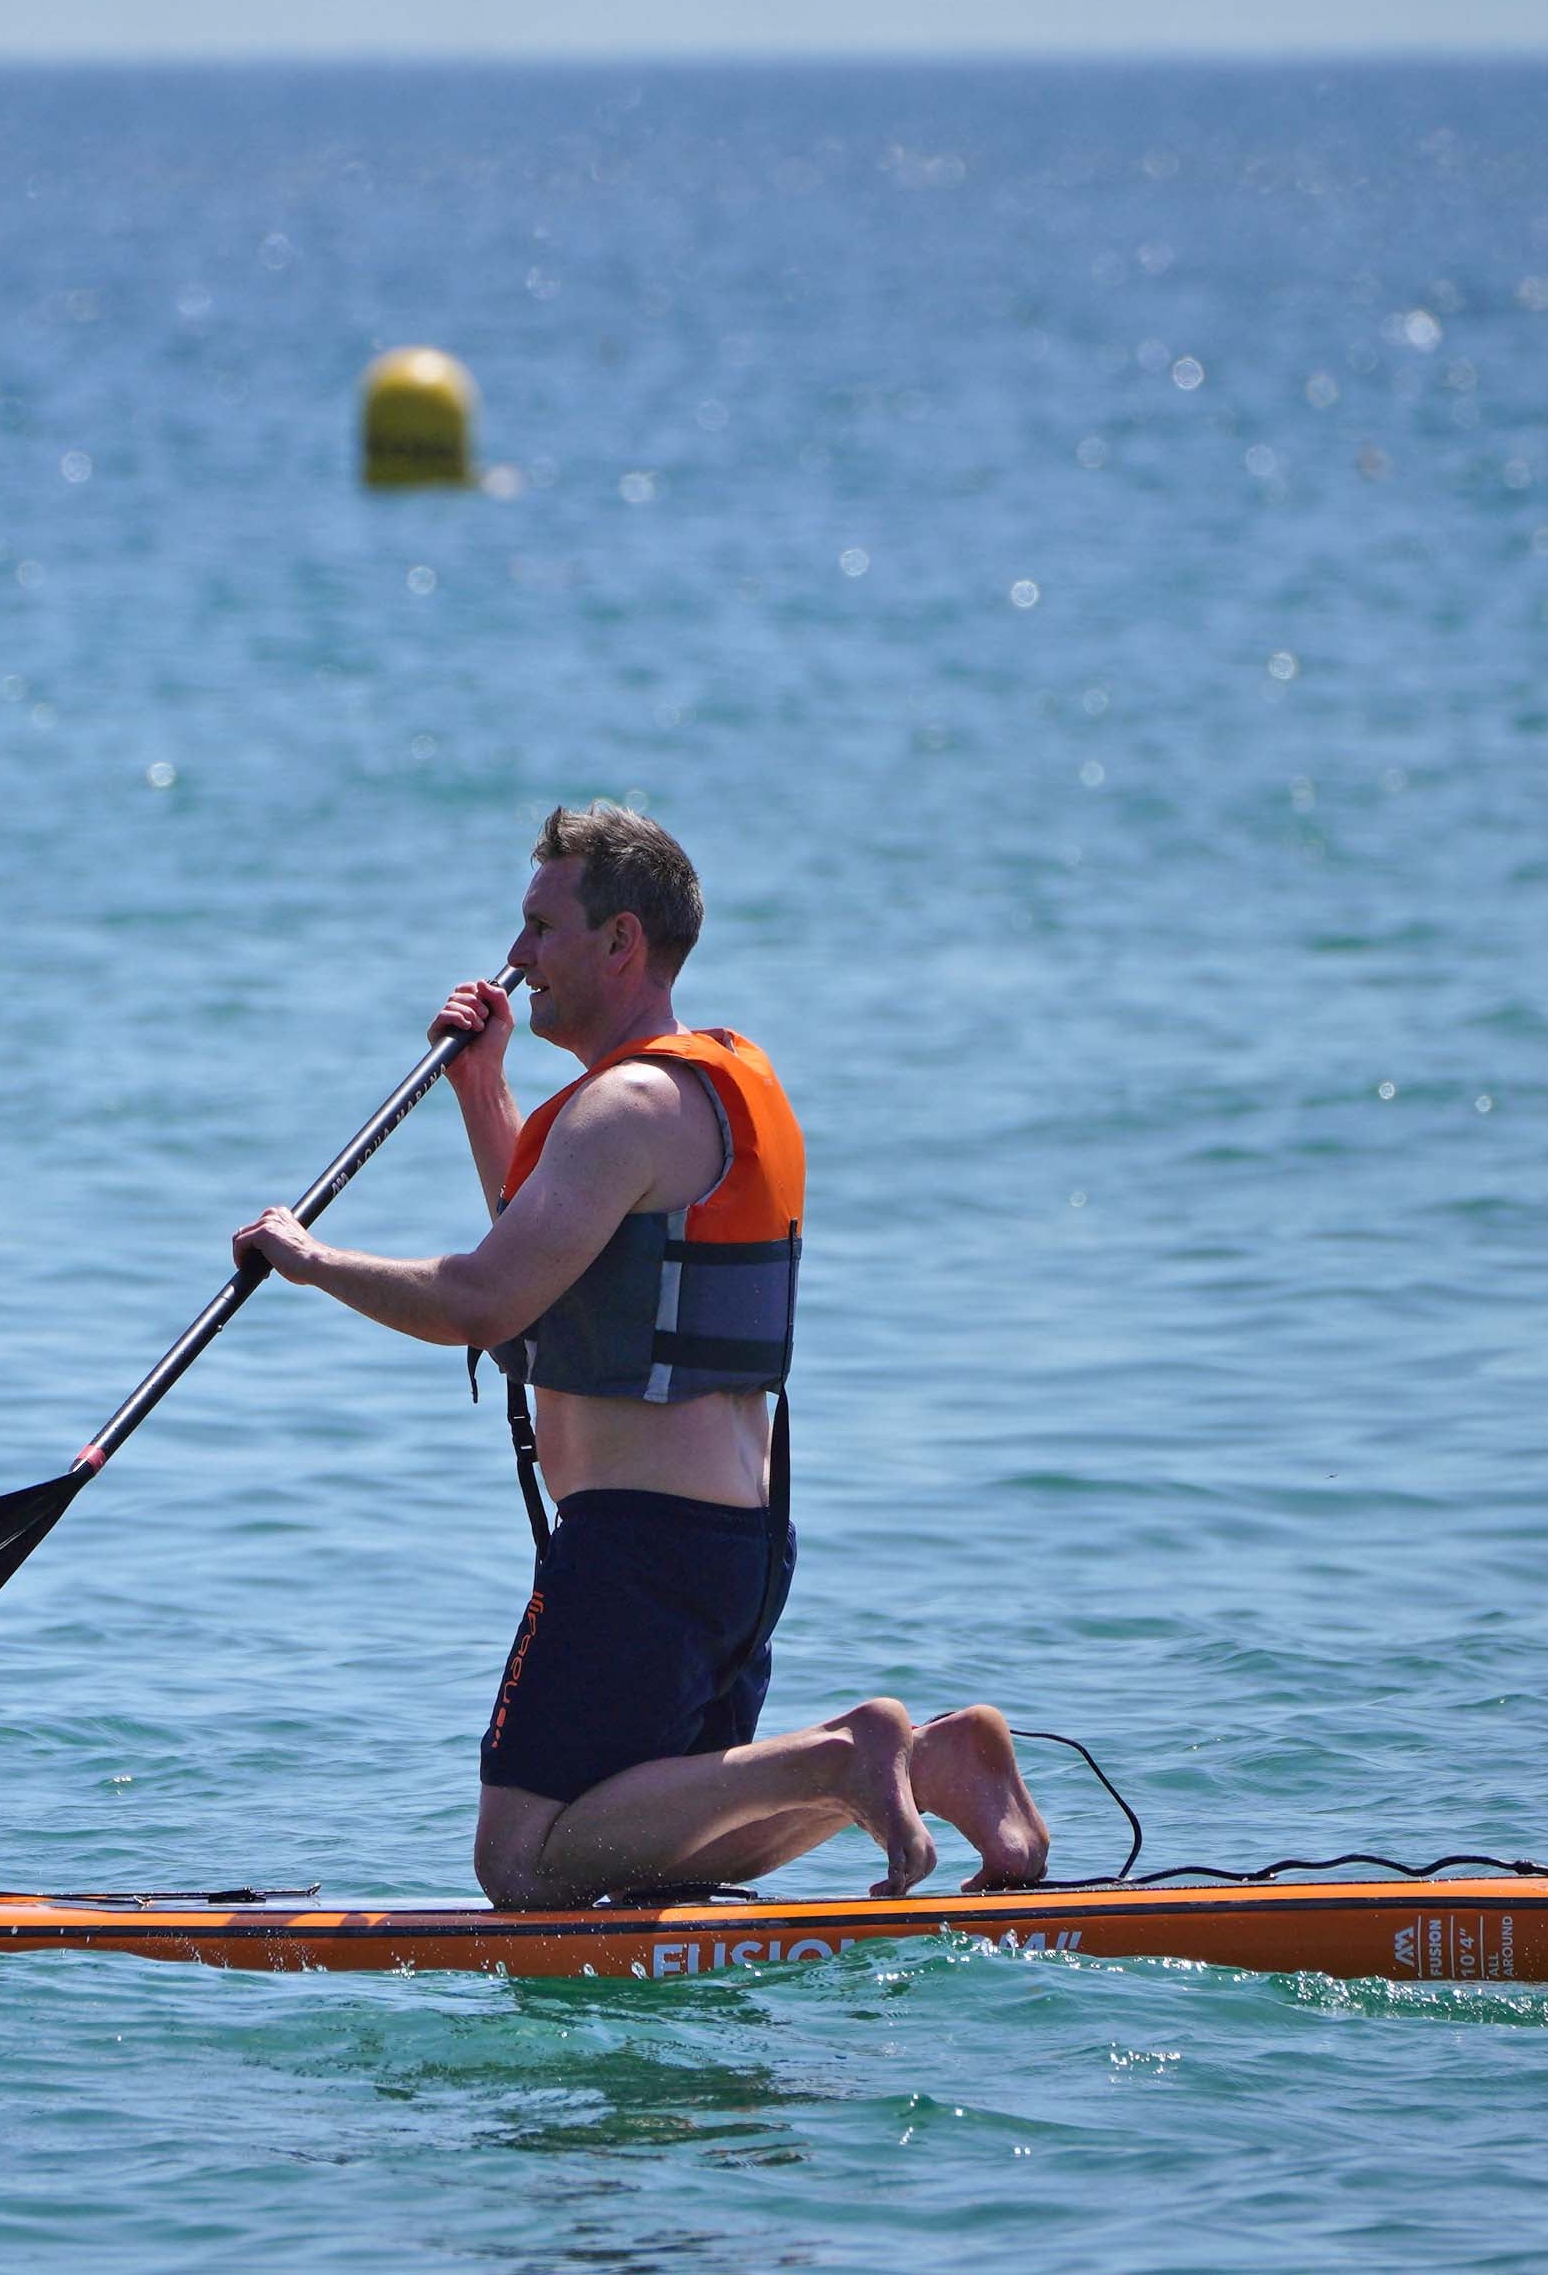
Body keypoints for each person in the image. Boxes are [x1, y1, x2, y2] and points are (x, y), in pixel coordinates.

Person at [233, 803, 1050, 1908]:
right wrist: (485, 1092)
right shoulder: (695, 1091)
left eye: (537, 927)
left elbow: (483, 1298)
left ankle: (847, 1752)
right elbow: (552, 1266)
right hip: (733, 1545)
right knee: (654, 1845)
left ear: (621, 941)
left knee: (521, 1864)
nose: (515, 959)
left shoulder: (621, 1108)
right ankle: (925, 1764)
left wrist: (310, 1258)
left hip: (638, 1551)